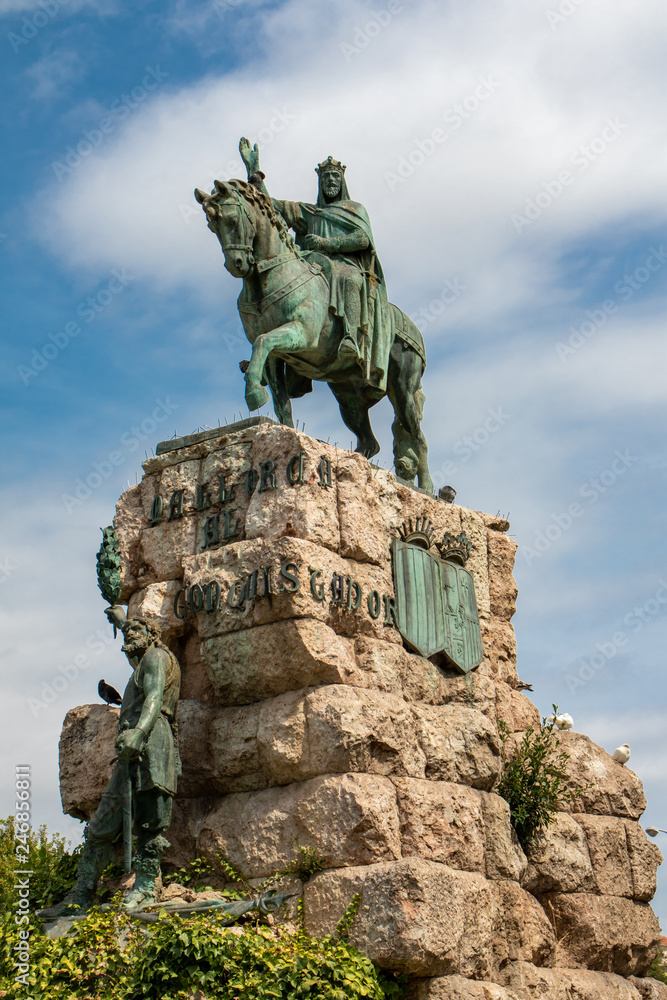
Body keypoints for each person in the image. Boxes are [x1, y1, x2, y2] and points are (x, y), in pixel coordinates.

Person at [41, 614, 181, 916]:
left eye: (136, 629)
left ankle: (144, 888)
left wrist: (139, 733)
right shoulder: (143, 660)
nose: (129, 634)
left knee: (150, 822)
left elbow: (154, 698)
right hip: (133, 745)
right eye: (126, 630)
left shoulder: (156, 657)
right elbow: (136, 655)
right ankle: (81, 893)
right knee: (103, 820)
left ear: (152, 634)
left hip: (151, 741)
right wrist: (123, 621)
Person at [239, 139, 393, 392]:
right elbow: (270, 206)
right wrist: (254, 173)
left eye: (335, 177)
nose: (330, 182)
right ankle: (279, 361)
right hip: (313, 265)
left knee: (349, 279)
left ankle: (350, 339)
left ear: (342, 182)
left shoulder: (354, 209)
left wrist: (326, 243)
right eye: (326, 178)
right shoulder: (309, 212)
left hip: (345, 265)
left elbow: (362, 238)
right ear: (320, 184)